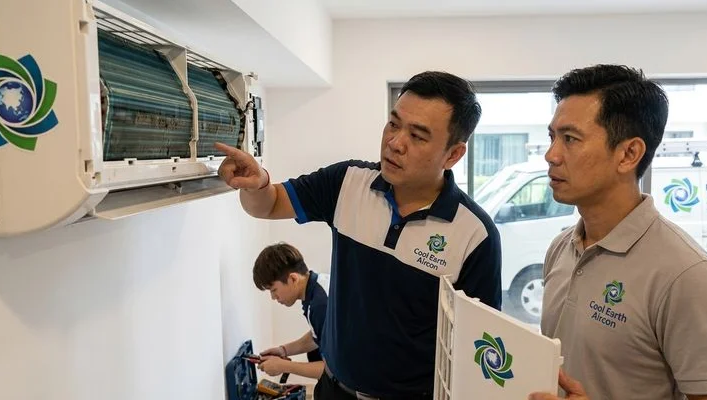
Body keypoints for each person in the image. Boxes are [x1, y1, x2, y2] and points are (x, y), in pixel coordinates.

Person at [214, 71, 502, 399]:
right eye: (393, 124)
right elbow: (268, 205)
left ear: (453, 154)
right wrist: (259, 182)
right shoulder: (348, 182)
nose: (395, 143)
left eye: (418, 136)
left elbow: (479, 350)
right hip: (333, 389)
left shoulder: (475, 235)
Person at [528, 64, 707, 400]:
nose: (551, 155)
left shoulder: (686, 276)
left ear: (629, 154)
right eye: (552, 137)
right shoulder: (562, 248)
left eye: (570, 139)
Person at [252, 242, 329, 380]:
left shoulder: (321, 305)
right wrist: (284, 350)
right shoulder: (317, 287)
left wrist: (283, 366)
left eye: (274, 290)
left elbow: (333, 372)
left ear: (293, 278)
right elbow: (318, 334)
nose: (273, 297)